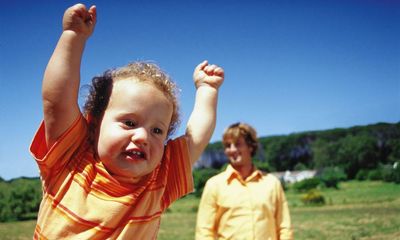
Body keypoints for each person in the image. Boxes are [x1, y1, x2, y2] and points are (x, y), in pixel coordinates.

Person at [29, 3, 224, 239]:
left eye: (157, 130)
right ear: (94, 124)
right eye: (129, 123)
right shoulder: (71, 159)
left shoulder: (159, 178)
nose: (143, 137)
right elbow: (56, 103)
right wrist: (73, 36)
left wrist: (207, 89)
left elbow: (197, 137)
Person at [195, 123, 293, 240]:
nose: (232, 150)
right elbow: (204, 231)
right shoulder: (214, 185)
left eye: (237, 144)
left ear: (251, 146)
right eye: (227, 145)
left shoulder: (272, 183)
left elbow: (284, 227)